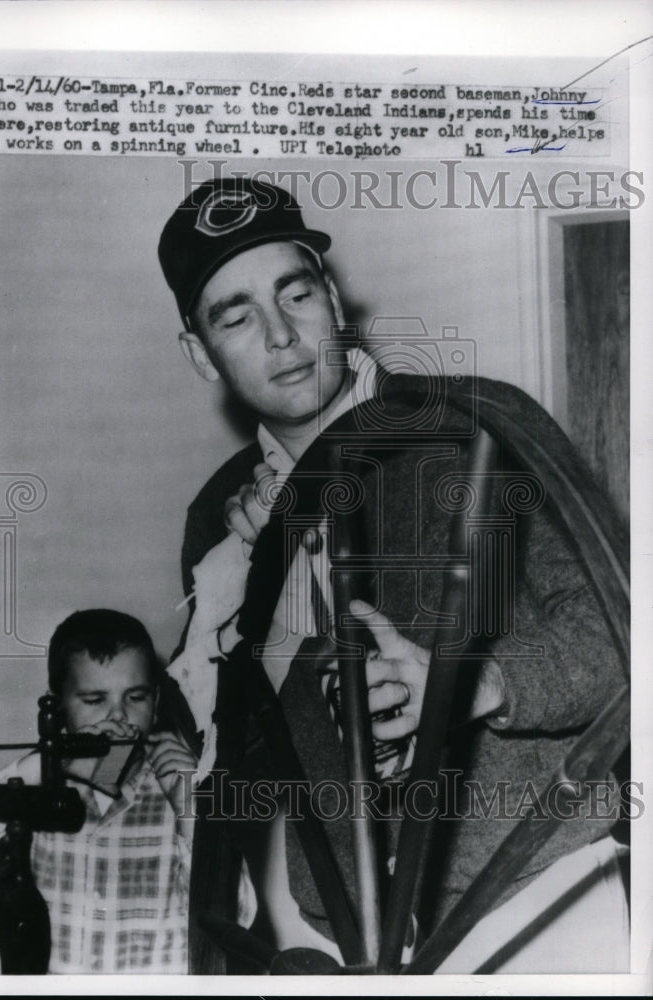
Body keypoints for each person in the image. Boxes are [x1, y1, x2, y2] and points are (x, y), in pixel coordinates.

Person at [157, 177, 629, 972]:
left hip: (540, 891)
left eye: (296, 293)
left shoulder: (476, 429)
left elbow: (621, 638)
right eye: (236, 317)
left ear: (334, 300)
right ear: (200, 354)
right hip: (343, 929)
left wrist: (472, 683)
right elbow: (251, 753)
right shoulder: (219, 520)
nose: (282, 335)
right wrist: (252, 600)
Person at [0, 608, 198, 974]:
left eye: (135, 697)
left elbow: (238, 915)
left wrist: (190, 808)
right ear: (59, 705)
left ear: (157, 703)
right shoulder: (42, 785)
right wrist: (49, 762)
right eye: (94, 700)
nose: (118, 717)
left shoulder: (179, 789)